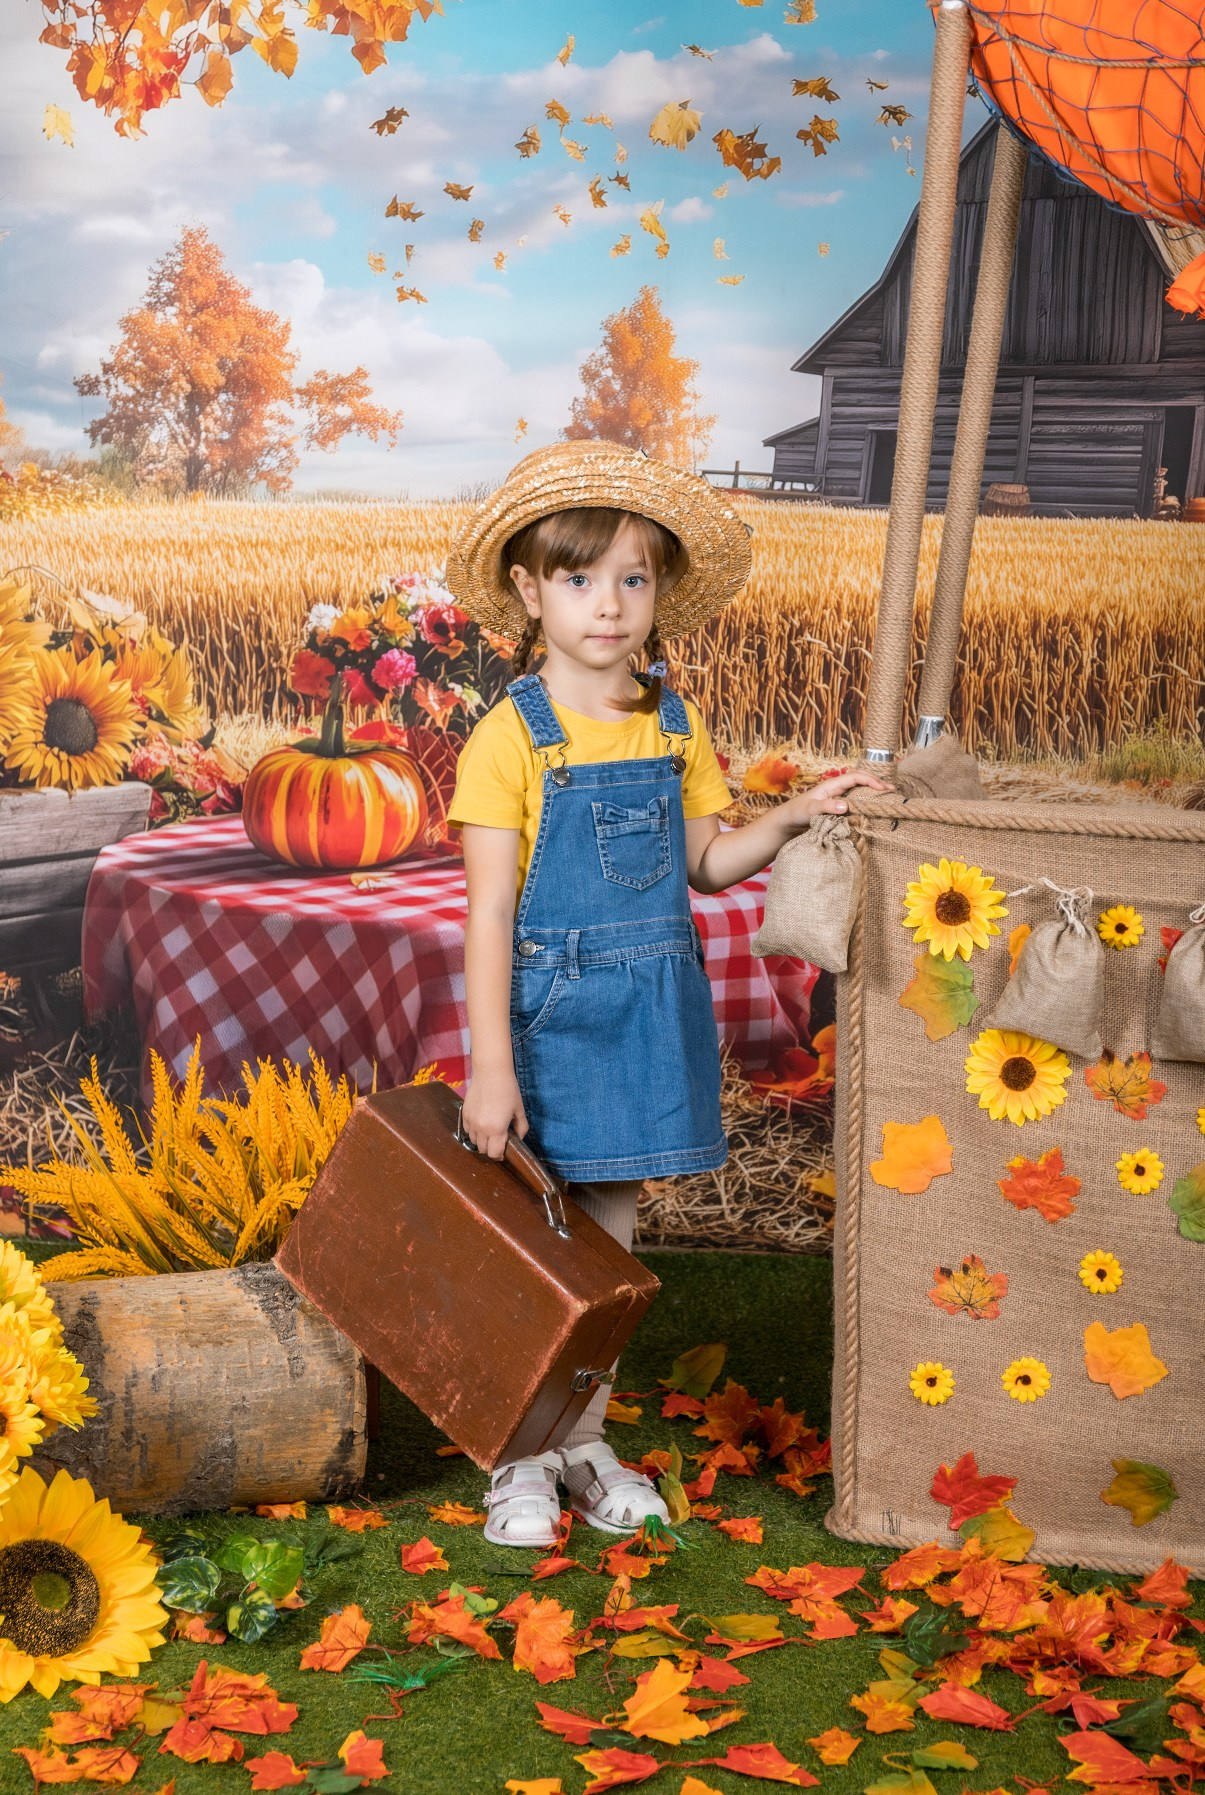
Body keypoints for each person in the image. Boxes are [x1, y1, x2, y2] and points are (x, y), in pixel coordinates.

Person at [444, 440, 890, 1548]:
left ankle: (581, 1437)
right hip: (547, 1019)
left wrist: (788, 818)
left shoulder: (674, 723)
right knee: (538, 1242)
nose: (607, 606)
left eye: (631, 580)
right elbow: (490, 913)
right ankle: (518, 1456)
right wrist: (491, 1066)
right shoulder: (510, 738)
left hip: (645, 1013)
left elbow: (703, 866)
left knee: (609, 1246)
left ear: (660, 593)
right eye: (578, 579)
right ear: (527, 588)